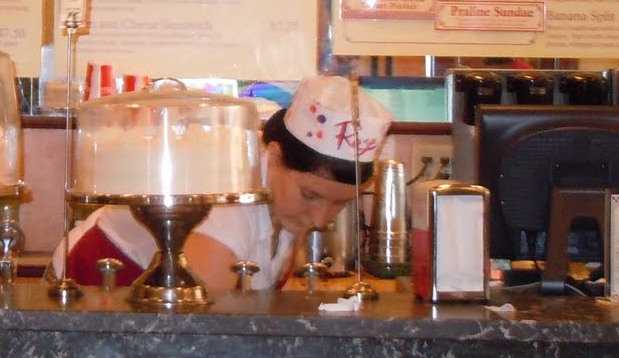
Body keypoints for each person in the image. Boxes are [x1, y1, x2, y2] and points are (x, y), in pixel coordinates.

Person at [53, 75, 393, 292]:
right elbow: (203, 336)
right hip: (93, 292)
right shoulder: (226, 209)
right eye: (311, 196)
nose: (320, 220)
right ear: (273, 158)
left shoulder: (281, 200)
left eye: (340, 204)